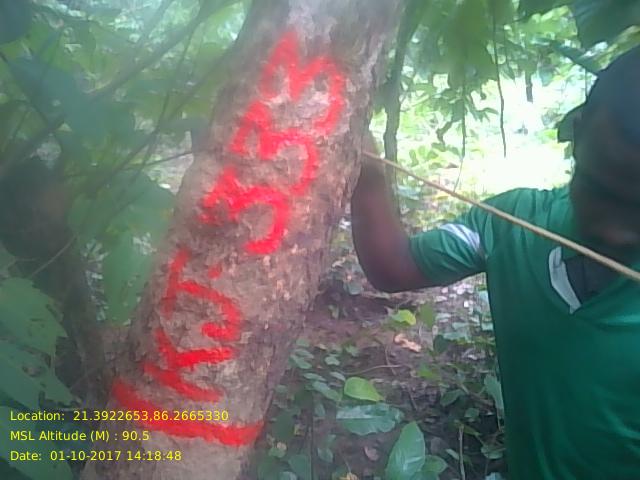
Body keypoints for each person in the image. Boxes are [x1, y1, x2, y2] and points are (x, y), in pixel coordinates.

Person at [351, 46, 640, 480]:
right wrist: (369, 175)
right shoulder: (514, 226)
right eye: (599, 190)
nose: (617, 232)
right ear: (576, 133)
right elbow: (394, 266)